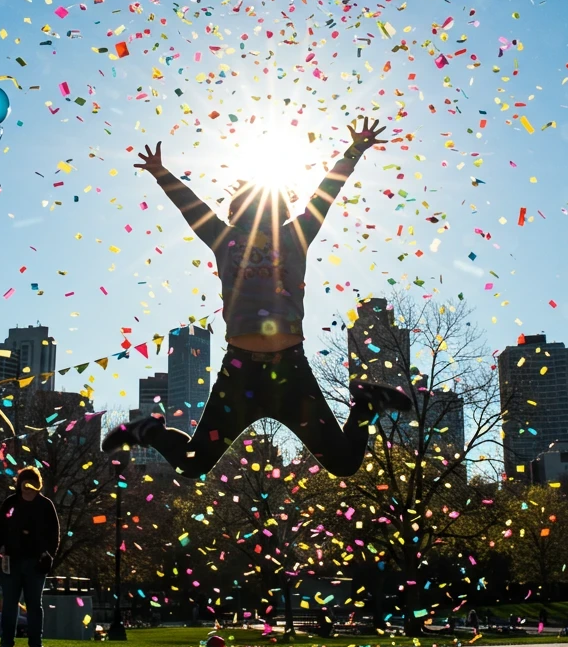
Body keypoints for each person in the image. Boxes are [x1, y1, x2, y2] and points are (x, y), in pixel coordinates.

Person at [102, 117, 413, 477]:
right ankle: (150, 431)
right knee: (194, 463)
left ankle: (366, 406)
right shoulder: (224, 238)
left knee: (343, 463)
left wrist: (354, 150)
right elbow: (193, 209)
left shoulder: (296, 235)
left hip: (290, 371)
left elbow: (325, 195)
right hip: (241, 374)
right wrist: (161, 173)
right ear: (238, 210)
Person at [0, 466, 60, 647]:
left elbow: (54, 534)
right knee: (10, 603)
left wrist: (48, 554)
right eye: (25, 482)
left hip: (36, 563)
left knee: (34, 604)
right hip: (11, 561)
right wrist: (0, 547)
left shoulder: (45, 505)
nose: (28, 487)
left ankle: (36, 644)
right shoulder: (10, 503)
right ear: (20, 484)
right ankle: (6, 643)